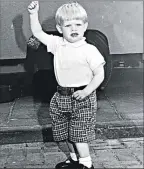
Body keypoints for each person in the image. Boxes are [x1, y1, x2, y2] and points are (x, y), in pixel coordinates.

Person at [28, 1, 105, 169]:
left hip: (82, 98)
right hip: (61, 96)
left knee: (79, 135)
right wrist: (33, 14)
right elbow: (37, 32)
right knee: (64, 133)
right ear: (59, 28)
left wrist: (87, 91)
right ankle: (73, 159)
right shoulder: (57, 44)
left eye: (78, 24)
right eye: (68, 25)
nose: (73, 29)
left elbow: (100, 74)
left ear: (85, 26)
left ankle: (86, 163)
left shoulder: (89, 50)